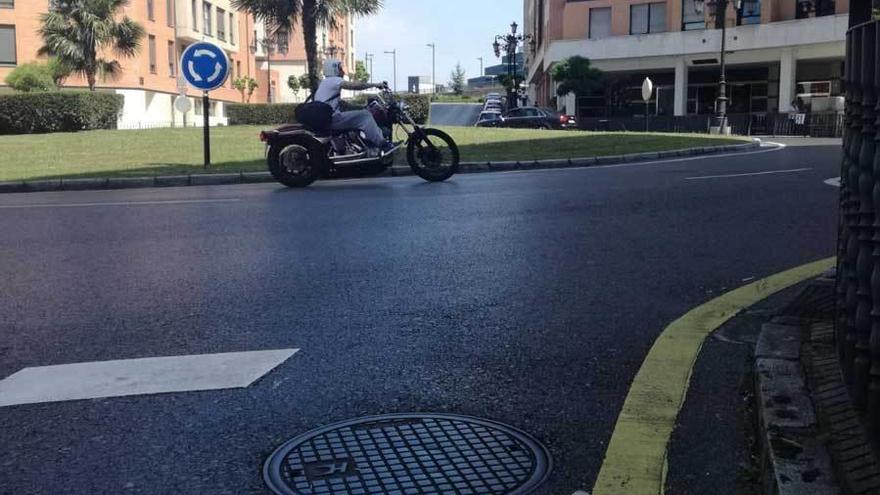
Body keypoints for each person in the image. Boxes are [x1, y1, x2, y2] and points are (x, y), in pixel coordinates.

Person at [315, 59, 396, 155]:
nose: (343, 71)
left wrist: (361, 107)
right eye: (340, 68)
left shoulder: (325, 83)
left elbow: (342, 104)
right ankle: (383, 145)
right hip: (332, 119)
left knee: (363, 113)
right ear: (334, 69)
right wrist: (376, 85)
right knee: (365, 116)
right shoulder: (333, 80)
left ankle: (365, 146)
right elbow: (355, 85)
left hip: (327, 119)